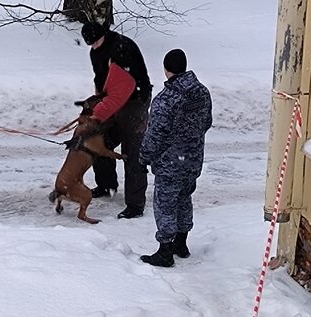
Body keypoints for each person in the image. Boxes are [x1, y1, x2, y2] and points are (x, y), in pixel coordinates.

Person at [139, 49, 212, 267]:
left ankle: (165, 251)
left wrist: (143, 157)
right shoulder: (202, 92)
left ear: (166, 69)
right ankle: (182, 243)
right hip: (192, 159)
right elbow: (206, 123)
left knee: (165, 203)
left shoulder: (166, 99)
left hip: (170, 163)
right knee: (184, 197)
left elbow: (155, 134)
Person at [80, 21, 152, 219]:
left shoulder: (122, 49)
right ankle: (106, 185)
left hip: (135, 101)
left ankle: (135, 204)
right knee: (99, 141)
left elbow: (121, 91)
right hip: (112, 100)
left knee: (131, 152)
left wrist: (98, 113)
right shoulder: (96, 51)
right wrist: (96, 103)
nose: (93, 46)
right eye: (90, 44)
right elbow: (100, 81)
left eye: (95, 41)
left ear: (104, 34)